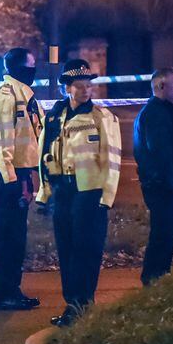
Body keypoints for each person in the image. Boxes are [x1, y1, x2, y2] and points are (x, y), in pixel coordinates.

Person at [37, 59, 121, 327]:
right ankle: (72, 305)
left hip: (90, 192)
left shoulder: (101, 117)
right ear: (67, 89)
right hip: (64, 191)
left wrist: (106, 197)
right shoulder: (54, 116)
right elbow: (44, 155)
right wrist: (44, 193)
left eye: (88, 85)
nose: (86, 90)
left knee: (87, 250)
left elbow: (112, 160)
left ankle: (83, 304)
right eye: (80, 86)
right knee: (67, 250)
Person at [0, 48, 44, 311]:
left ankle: (12, 289)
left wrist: (29, 177)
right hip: (8, 174)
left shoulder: (25, 96)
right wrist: (12, 180)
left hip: (20, 172)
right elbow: (2, 140)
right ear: (18, 68)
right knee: (7, 235)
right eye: (31, 65)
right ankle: (3, 292)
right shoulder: (5, 97)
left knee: (17, 236)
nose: (34, 70)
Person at [133, 67, 173, 286]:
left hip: (167, 185)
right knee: (163, 234)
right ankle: (153, 279)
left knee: (168, 233)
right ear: (161, 86)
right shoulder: (155, 114)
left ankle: (160, 276)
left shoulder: (167, 110)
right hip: (162, 186)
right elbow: (160, 152)